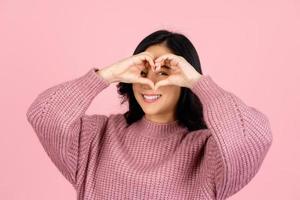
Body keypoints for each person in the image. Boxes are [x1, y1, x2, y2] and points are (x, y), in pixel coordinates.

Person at [26, 29, 273, 200]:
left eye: (164, 73)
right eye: (143, 73)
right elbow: (44, 113)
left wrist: (198, 82)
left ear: (183, 81)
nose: (150, 83)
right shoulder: (96, 137)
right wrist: (106, 75)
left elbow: (253, 136)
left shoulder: (207, 153)